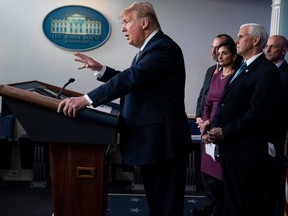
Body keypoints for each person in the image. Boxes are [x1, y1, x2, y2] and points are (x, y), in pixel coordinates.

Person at [57, 2, 191, 216]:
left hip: (164, 142)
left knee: (166, 206)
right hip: (155, 142)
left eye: (127, 22)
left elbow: (131, 78)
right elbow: (136, 80)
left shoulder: (163, 48)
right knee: (159, 204)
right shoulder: (148, 50)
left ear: (145, 22)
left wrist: (86, 99)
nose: (123, 28)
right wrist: (101, 69)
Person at [206, 23, 281, 216]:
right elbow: (226, 104)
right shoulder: (244, 67)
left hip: (247, 152)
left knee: (246, 205)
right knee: (232, 204)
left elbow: (257, 113)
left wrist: (225, 131)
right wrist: (214, 126)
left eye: (240, 37)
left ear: (256, 40)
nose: (236, 40)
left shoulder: (267, 71)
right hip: (232, 149)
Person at [199, 40, 242, 216]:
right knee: (209, 176)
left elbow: (233, 107)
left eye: (224, 53)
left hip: (224, 129)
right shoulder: (216, 76)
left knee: (223, 177)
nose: (220, 55)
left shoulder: (237, 77)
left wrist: (215, 128)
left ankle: (222, 210)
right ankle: (214, 208)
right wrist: (205, 125)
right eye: (219, 53)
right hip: (209, 128)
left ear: (233, 56)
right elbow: (207, 103)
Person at [193, 34, 233, 216]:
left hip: (219, 128)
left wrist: (210, 123)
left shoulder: (236, 73)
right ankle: (210, 205)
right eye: (214, 48)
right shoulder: (212, 71)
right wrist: (200, 118)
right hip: (205, 127)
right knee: (206, 173)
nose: (215, 52)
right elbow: (203, 97)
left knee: (219, 175)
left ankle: (219, 209)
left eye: (219, 49)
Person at [265, 35, 288, 216]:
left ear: (284, 51)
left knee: (275, 185)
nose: (268, 50)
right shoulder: (263, 71)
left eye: (273, 47)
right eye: (267, 46)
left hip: (277, 137)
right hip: (258, 137)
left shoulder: (286, 75)